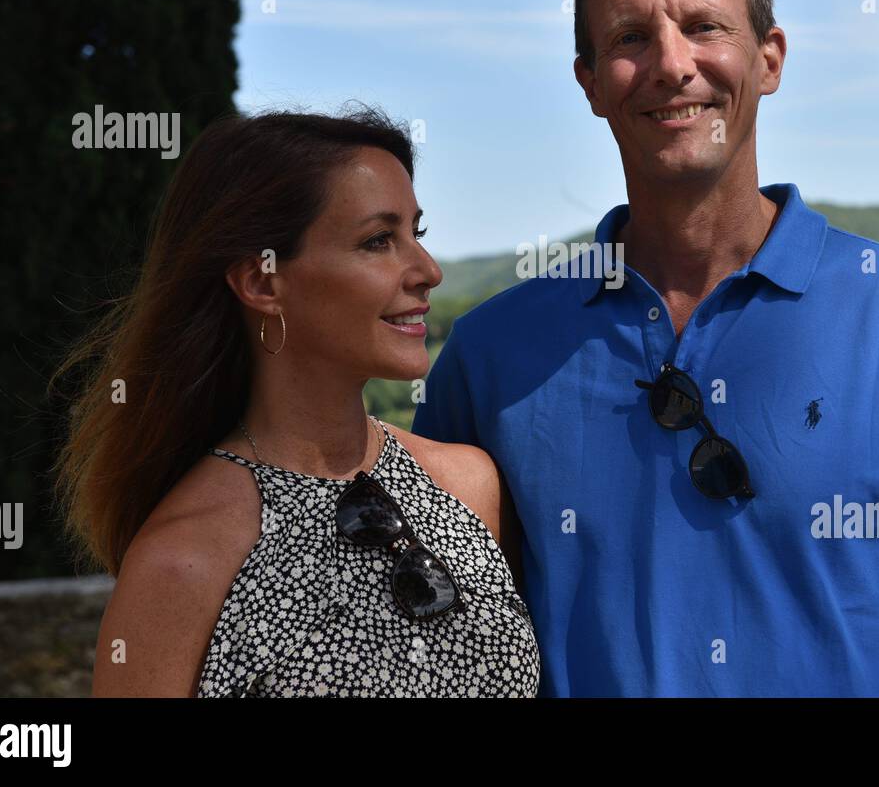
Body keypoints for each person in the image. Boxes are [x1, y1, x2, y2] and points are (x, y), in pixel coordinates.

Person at [412, 0, 879, 696]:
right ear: (588, 82)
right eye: (629, 39)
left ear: (770, 58)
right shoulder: (490, 358)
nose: (670, 63)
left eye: (704, 26)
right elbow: (448, 649)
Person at [53, 108, 539, 697]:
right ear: (262, 283)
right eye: (379, 240)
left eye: (419, 233)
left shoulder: (469, 488)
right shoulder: (183, 561)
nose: (427, 270)